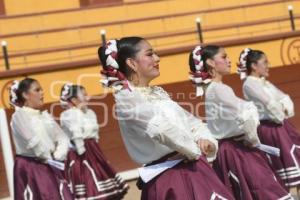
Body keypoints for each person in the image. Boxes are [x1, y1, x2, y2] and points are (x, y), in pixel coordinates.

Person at [98, 37, 235, 200]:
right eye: (149, 54)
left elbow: (193, 123)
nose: (157, 58)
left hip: (193, 167)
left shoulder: (157, 92)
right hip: (170, 178)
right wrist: (195, 149)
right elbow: (162, 130)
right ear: (132, 63)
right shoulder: (127, 99)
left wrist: (206, 140)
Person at [188, 45, 292, 199]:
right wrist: (252, 139)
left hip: (231, 149)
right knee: (263, 189)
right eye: (224, 57)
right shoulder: (218, 89)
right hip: (236, 151)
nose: (229, 60)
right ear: (210, 63)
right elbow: (246, 114)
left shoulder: (215, 88)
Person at [239, 48, 300, 195]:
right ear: (254, 65)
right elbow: (271, 104)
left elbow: (285, 99)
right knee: (288, 176)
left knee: (295, 172)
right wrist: (281, 113)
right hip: (271, 129)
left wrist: (283, 110)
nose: (268, 65)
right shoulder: (250, 84)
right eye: (265, 62)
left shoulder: (263, 82)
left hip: (281, 127)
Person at [60, 83, 129, 199]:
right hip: (78, 154)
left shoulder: (89, 113)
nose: (87, 98)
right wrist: (81, 149)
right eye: (84, 95)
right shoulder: (69, 115)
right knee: (85, 177)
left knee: (99, 173)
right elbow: (75, 133)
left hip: (93, 149)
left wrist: (95, 147)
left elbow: (95, 132)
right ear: (74, 100)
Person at [9, 78, 72, 200]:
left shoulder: (45, 116)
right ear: (25, 95)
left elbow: (62, 138)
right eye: (37, 90)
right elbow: (34, 143)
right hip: (30, 166)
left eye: (41, 89)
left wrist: (58, 155)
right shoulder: (19, 116)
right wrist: (49, 157)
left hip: (49, 163)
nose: (42, 93)